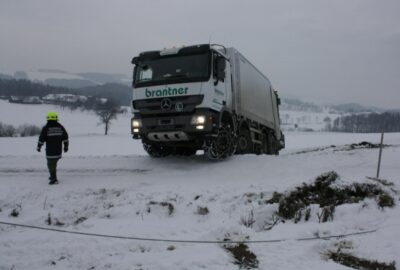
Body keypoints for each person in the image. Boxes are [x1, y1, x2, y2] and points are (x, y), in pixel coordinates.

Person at [37, 112, 69, 185]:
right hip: (58, 150)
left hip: (50, 151)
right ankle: (52, 176)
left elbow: (41, 138)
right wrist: (66, 146)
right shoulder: (60, 127)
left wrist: (39, 146)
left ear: (48, 118)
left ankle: (54, 179)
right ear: (56, 118)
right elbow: (66, 137)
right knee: (53, 163)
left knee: (50, 164)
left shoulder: (46, 128)